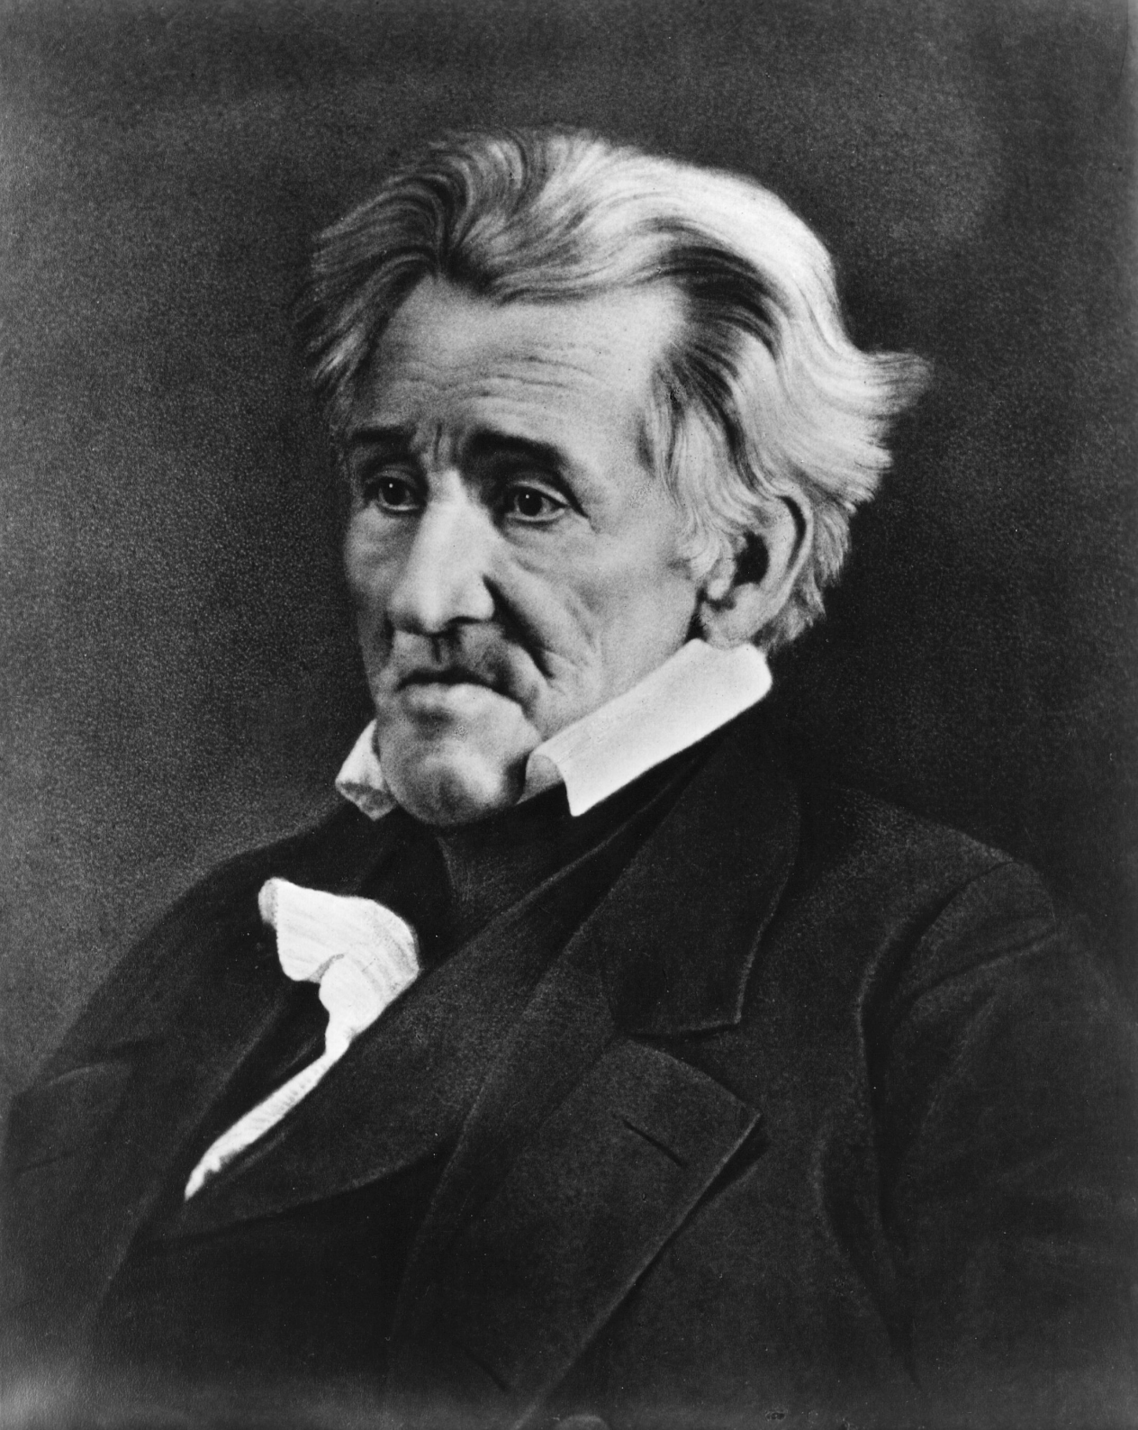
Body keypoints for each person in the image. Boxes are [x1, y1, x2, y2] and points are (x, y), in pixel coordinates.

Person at [2, 128, 1135, 1430]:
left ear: (743, 564)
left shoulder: (938, 975)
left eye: (529, 500)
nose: (424, 596)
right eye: (391, 488)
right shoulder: (223, 931)